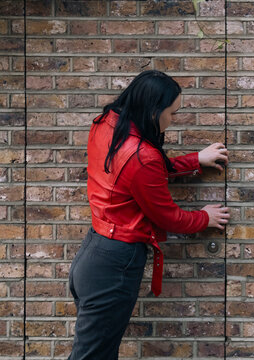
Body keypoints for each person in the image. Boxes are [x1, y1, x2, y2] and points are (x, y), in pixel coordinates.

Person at [68, 70, 230, 359]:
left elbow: (142, 172)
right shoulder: (143, 156)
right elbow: (167, 216)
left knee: (97, 352)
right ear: (154, 111)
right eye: (172, 113)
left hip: (93, 252)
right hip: (115, 265)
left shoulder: (106, 123)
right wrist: (205, 217)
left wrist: (195, 160)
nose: (173, 120)